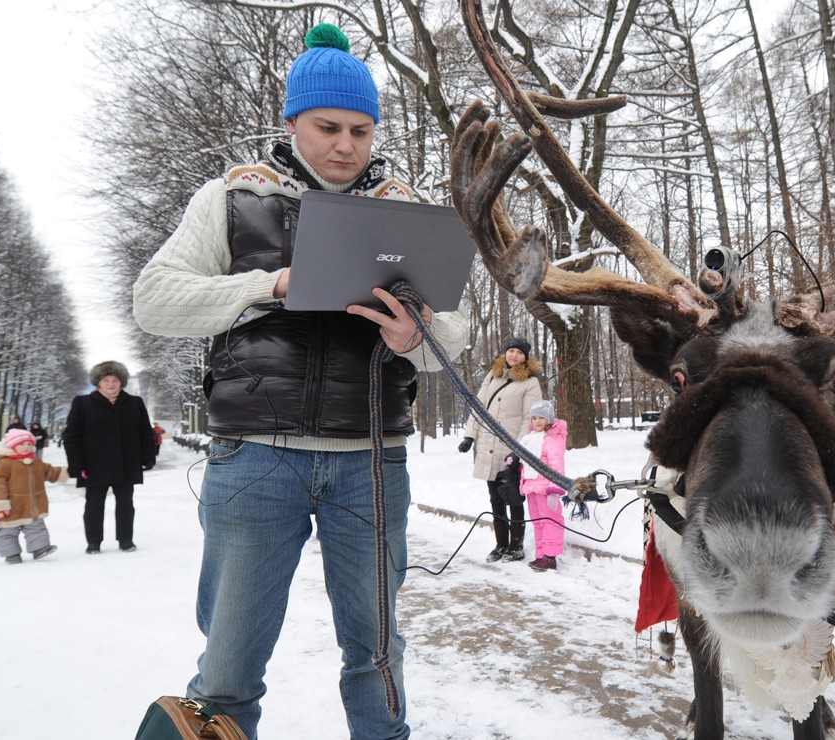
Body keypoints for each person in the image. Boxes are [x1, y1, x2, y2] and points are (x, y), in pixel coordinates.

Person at [131, 22, 467, 739]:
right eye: (327, 127)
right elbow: (153, 299)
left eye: (360, 130)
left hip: (371, 463)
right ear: (291, 121)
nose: (346, 145)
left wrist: (417, 338)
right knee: (228, 665)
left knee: (376, 654)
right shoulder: (230, 199)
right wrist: (270, 283)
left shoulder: (406, 211)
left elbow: (456, 343)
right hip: (255, 459)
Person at [458, 337, 543, 563]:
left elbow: (529, 418)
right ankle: (500, 544)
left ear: (526, 357)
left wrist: (518, 450)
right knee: (495, 499)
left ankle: (516, 547)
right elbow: (478, 406)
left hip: (510, 448)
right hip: (487, 446)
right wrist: (469, 435)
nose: (514, 355)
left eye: (519, 352)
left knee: (513, 497)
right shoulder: (493, 376)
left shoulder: (530, 383)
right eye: (511, 350)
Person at [62, 361, 158, 555]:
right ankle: (94, 542)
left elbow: (146, 433)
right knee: (94, 505)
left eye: (115, 380)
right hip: (94, 466)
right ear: (98, 383)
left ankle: (126, 540)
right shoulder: (83, 403)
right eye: (106, 380)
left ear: (121, 382)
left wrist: (149, 457)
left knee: (126, 504)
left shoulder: (134, 403)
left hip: (127, 463)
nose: (111, 384)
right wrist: (76, 465)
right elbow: (72, 437)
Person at [0, 429, 67, 564]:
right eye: (22, 444)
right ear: (12, 446)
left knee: (36, 527)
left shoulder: (36, 462)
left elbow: (50, 472)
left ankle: (40, 548)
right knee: (7, 531)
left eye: (29, 444)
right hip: (10, 506)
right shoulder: (5, 463)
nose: (26, 447)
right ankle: (11, 554)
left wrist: (69, 472)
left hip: (32, 505)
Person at [517, 400, 568, 571]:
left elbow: (556, 465)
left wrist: (555, 489)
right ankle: (541, 554)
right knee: (537, 521)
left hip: (546, 488)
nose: (537, 421)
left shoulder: (552, 439)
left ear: (549, 419)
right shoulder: (530, 438)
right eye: (534, 418)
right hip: (531, 486)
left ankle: (550, 556)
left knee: (550, 520)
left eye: (541, 418)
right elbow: (524, 460)